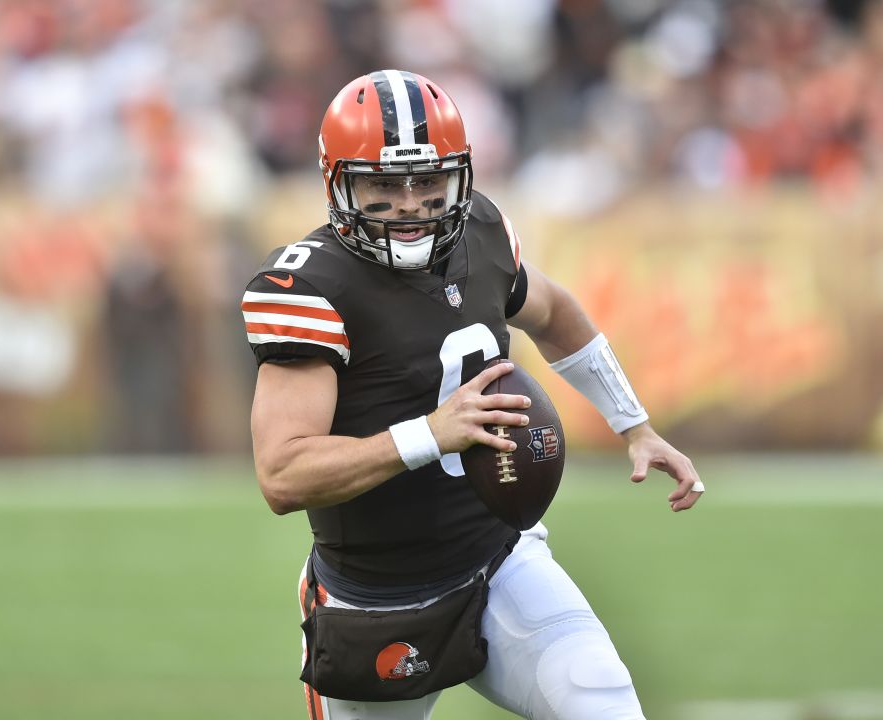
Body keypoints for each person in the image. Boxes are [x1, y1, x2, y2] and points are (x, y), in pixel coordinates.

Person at [242, 69, 704, 720]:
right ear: (338, 184)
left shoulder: (481, 233)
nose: (408, 203)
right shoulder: (311, 288)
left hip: (498, 560)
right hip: (373, 601)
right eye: (382, 184)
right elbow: (283, 474)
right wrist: (430, 433)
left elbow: (555, 311)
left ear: (458, 177)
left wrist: (634, 423)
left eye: (427, 181)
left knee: (601, 698)